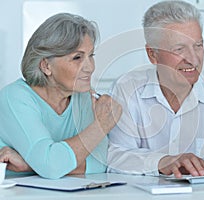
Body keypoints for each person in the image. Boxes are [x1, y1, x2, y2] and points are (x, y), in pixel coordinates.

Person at [107, 0, 204, 177]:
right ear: (152, 54)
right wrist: (163, 162)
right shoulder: (127, 89)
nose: (194, 59)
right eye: (179, 49)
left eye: (198, 46)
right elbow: (115, 156)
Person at [0, 13, 122, 179]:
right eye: (77, 57)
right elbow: (50, 166)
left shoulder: (83, 97)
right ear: (46, 66)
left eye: (91, 56)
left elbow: (100, 163)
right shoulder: (14, 98)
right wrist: (101, 126)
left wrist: (31, 165)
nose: (90, 67)